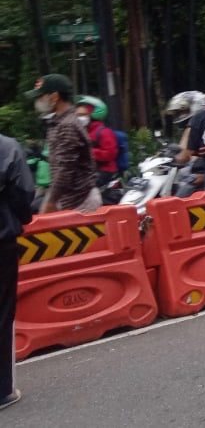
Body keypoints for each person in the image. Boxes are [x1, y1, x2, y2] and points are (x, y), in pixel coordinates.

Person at [25, 74, 101, 213]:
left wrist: (50, 201)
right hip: (70, 201)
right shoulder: (58, 122)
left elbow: (65, 169)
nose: (38, 101)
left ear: (54, 97)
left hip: (79, 202)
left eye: (40, 96)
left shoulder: (67, 125)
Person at [0, 133, 34, 411]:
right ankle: (2, 390)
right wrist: (20, 218)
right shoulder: (7, 147)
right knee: (2, 314)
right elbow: (23, 193)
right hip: (1, 242)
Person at [74, 96, 119, 187]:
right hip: (89, 172)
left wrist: (87, 152)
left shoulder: (104, 132)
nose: (79, 118)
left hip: (104, 172)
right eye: (77, 115)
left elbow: (110, 154)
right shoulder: (83, 133)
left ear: (92, 115)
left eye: (82, 115)